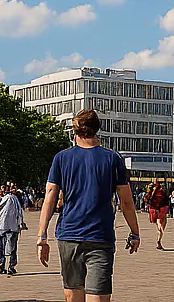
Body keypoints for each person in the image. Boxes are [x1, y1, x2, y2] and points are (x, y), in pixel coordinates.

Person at [36, 109, 141, 302]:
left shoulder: (61, 158)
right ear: (97, 130)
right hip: (100, 237)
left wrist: (42, 235)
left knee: (73, 296)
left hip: (69, 236)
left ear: (75, 132)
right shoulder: (112, 159)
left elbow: (50, 196)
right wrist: (134, 232)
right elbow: (126, 202)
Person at [0, 181, 24, 276]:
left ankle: (1, 266)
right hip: (12, 226)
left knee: (1, 247)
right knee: (12, 247)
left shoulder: (3, 198)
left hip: (1, 226)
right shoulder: (14, 198)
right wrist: (21, 223)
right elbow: (19, 212)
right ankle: (11, 267)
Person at [147, 181, 170, 251]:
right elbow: (167, 200)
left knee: (159, 223)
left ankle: (159, 235)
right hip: (162, 209)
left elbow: (148, 202)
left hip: (154, 210)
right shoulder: (162, 192)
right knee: (163, 224)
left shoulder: (150, 193)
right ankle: (159, 240)